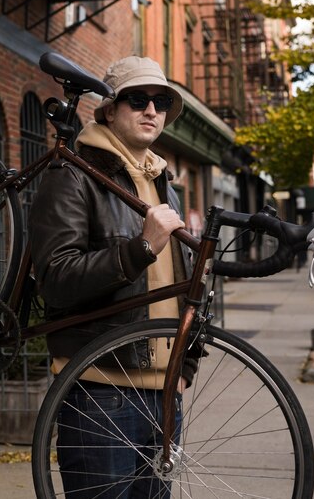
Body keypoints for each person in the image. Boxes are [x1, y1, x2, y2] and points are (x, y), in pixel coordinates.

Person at [29, 56, 195, 498]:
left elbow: (186, 286)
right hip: (101, 394)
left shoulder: (164, 184)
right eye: (137, 99)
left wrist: (187, 366)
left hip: (163, 399)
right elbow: (56, 279)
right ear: (109, 109)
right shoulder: (73, 175)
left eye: (161, 102)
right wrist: (140, 249)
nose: (151, 111)